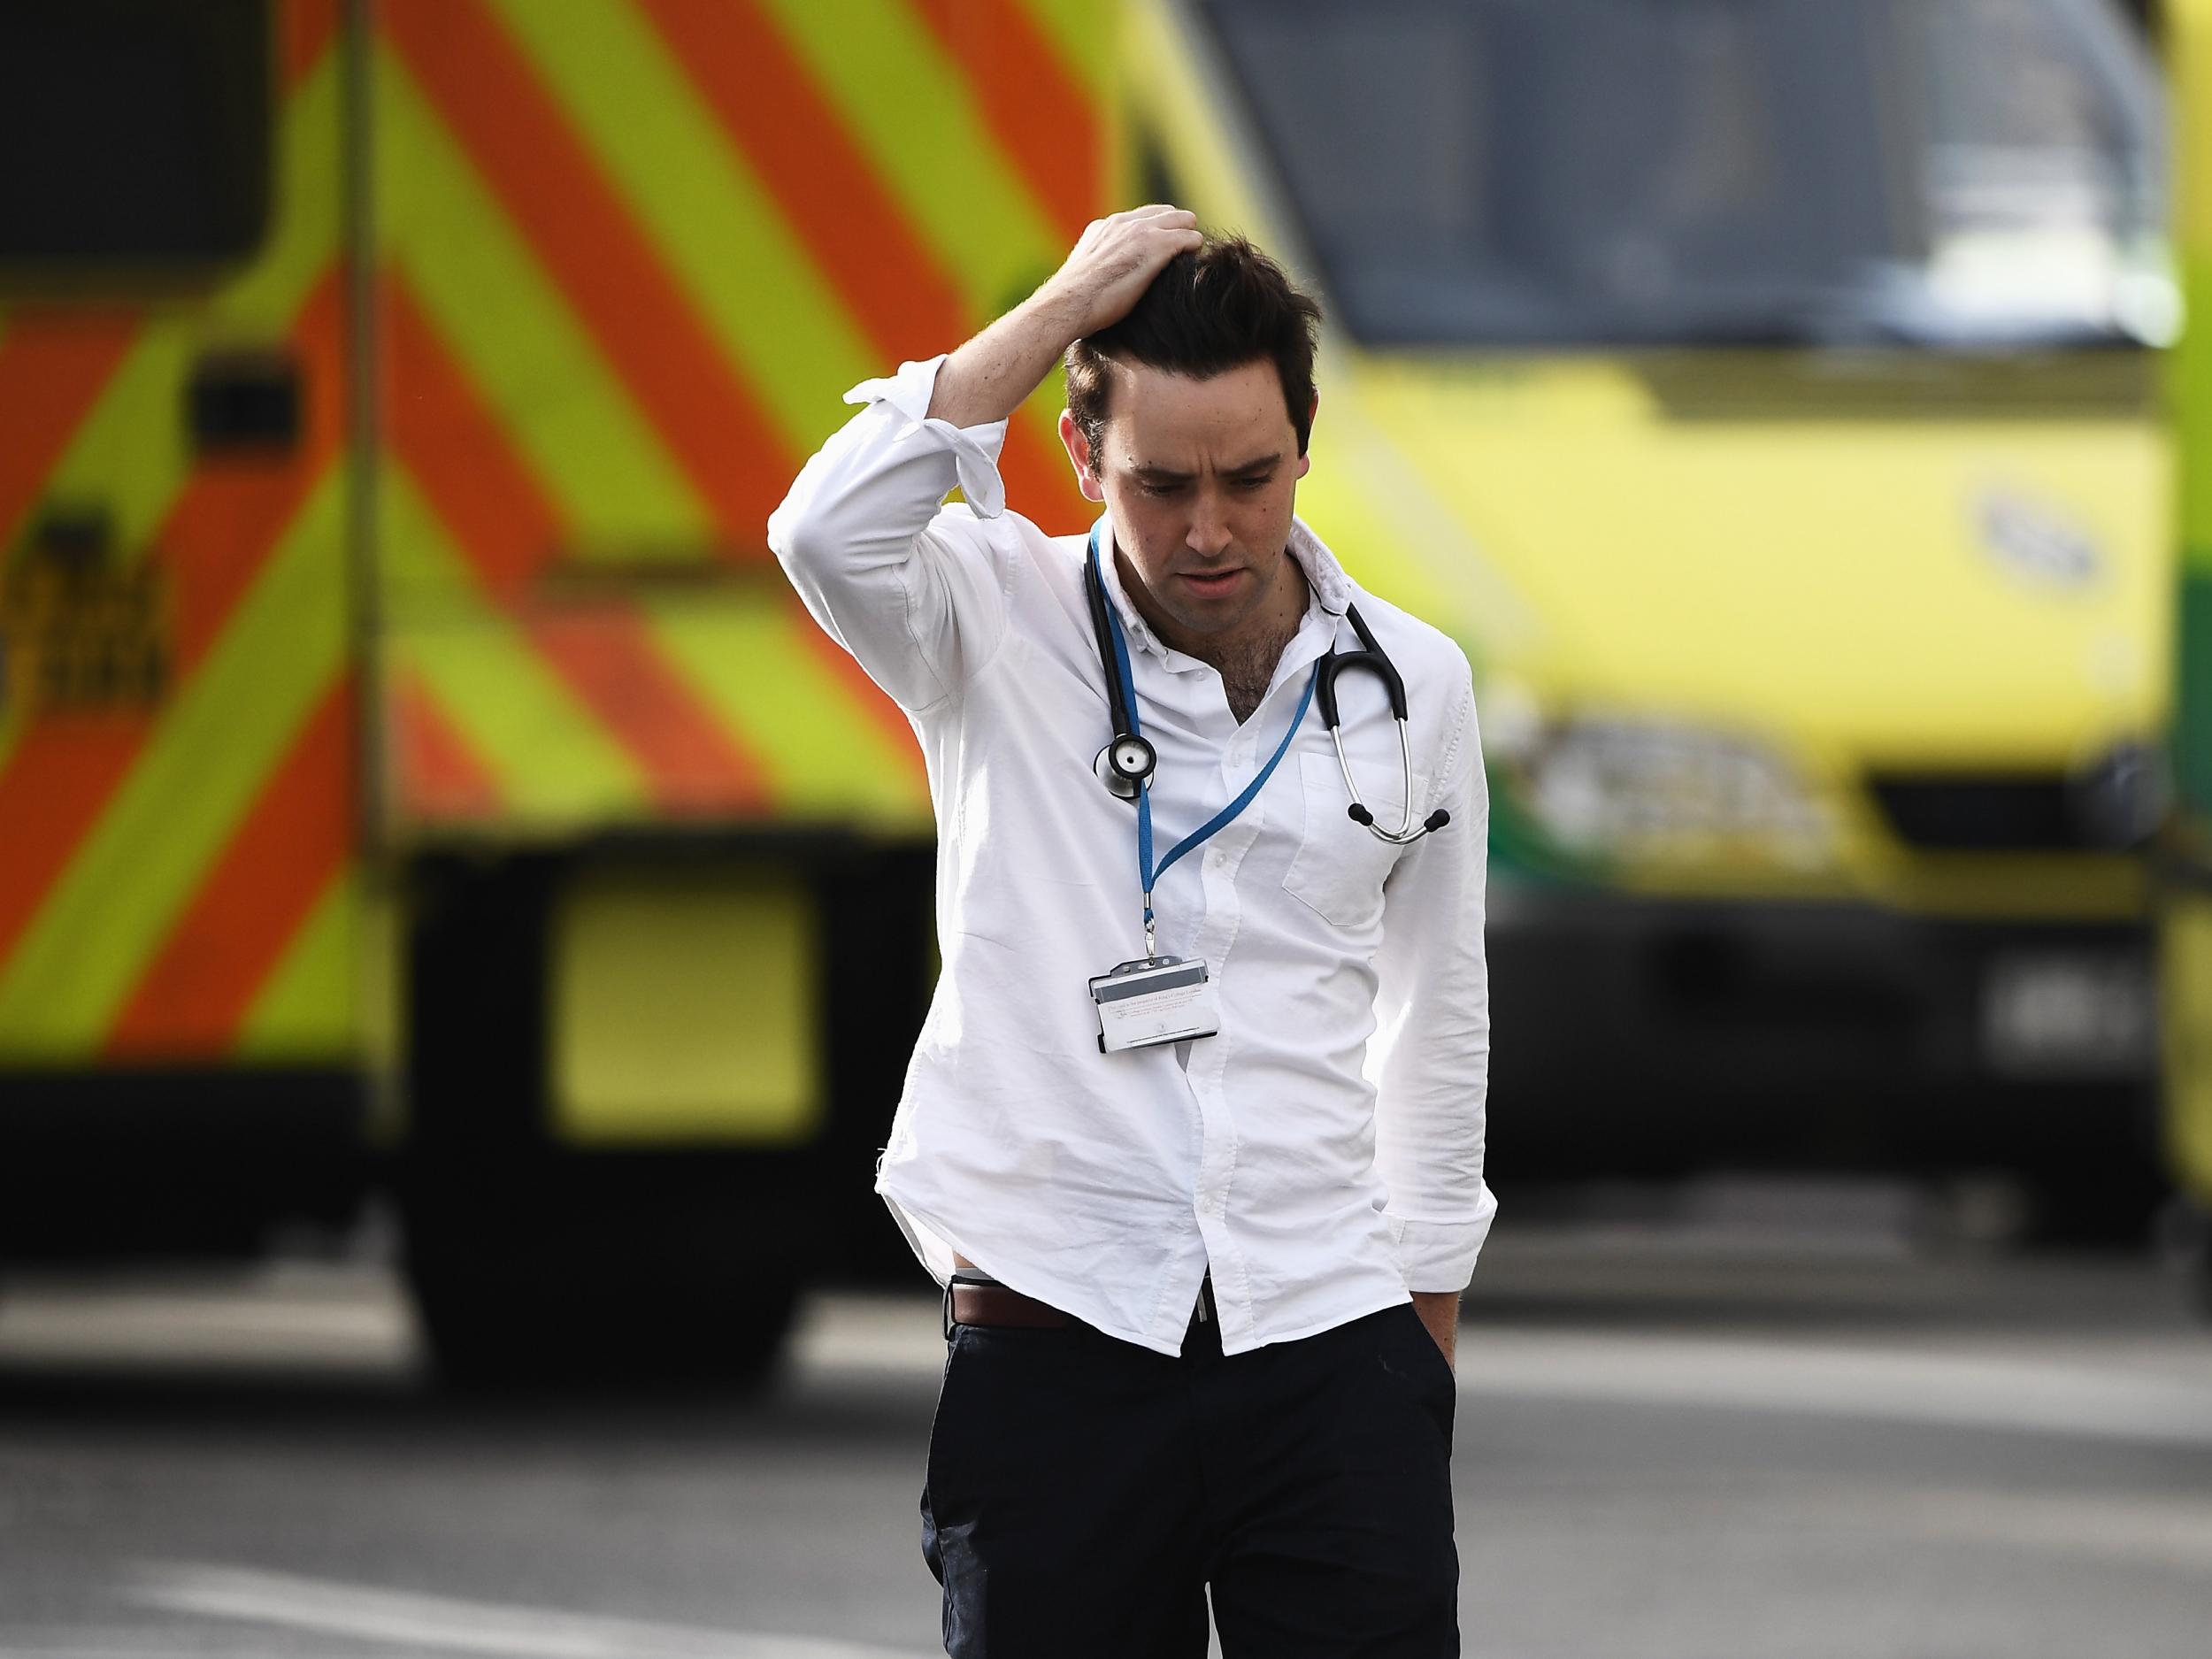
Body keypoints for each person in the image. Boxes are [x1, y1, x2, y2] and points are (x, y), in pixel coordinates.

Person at [768, 206, 1494, 1658]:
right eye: (1162, 485)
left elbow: (1439, 1011)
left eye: (1251, 476)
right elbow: (821, 530)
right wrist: (1062, 305)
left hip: (1331, 1337)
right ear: (1081, 458)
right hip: (1061, 1335)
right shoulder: (987, 614)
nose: (1211, 529)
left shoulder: (1413, 681)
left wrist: (1421, 1342)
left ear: (1304, 449)